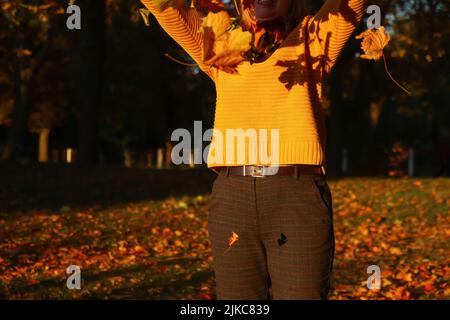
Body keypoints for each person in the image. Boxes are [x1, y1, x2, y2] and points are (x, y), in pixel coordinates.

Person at [141, 0, 365, 299]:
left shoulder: (313, 38)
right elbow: (163, 6)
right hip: (233, 196)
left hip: (296, 196)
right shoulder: (220, 43)